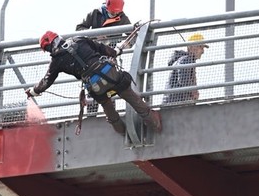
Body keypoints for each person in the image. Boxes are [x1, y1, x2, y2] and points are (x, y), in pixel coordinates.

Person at [27, 31, 161, 136]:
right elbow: (101, 48)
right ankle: (154, 123)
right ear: (57, 37)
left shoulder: (56, 62)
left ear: (48, 48)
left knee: (106, 105)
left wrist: (34, 91)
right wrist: (116, 52)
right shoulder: (78, 40)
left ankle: (122, 132)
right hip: (109, 74)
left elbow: (46, 81)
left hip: (95, 86)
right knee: (129, 95)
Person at [77, 0, 134, 118]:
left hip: (109, 59)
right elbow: (79, 29)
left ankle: (111, 117)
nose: (115, 15)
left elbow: (132, 37)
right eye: (113, 12)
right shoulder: (95, 13)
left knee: (111, 85)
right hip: (92, 58)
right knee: (93, 87)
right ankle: (91, 117)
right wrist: (94, 34)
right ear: (107, 6)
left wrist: (123, 45)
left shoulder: (123, 18)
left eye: (116, 13)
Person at [162, 33, 209, 106]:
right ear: (191, 47)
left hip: (172, 103)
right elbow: (183, 80)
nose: (202, 51)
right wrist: (193, 91)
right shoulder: (186, 60)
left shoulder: (185, 60)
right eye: (201, 47)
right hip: (176, 105)